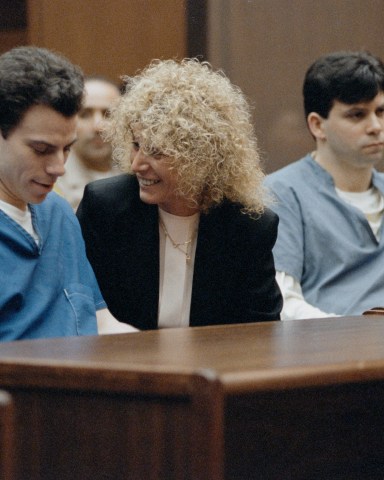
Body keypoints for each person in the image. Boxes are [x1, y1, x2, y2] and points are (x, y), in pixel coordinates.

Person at [77, 58, 282, 330]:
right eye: (136, 145)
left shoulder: (248, 226)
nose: (137, 164)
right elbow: (78, 301)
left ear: (199, 158)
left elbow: (263, 330)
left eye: (157, 151)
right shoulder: (106, 207)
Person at [0, 46, 131, 340]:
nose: (59, 167)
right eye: (42, 150)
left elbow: (100, 319)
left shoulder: (57, 212)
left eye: (67, 148)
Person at [265, 50, 384, 320]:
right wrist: (352, 337)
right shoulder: (281, 193)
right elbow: (284, 304)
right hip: (324, 351)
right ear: (317, 125)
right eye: (357, 115)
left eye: (381, 111)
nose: (376, 126)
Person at [55, 76, 121, 210]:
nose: (98, 126)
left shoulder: (139, 175)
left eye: (108, 114)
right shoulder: (52, 180)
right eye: (84, 115)